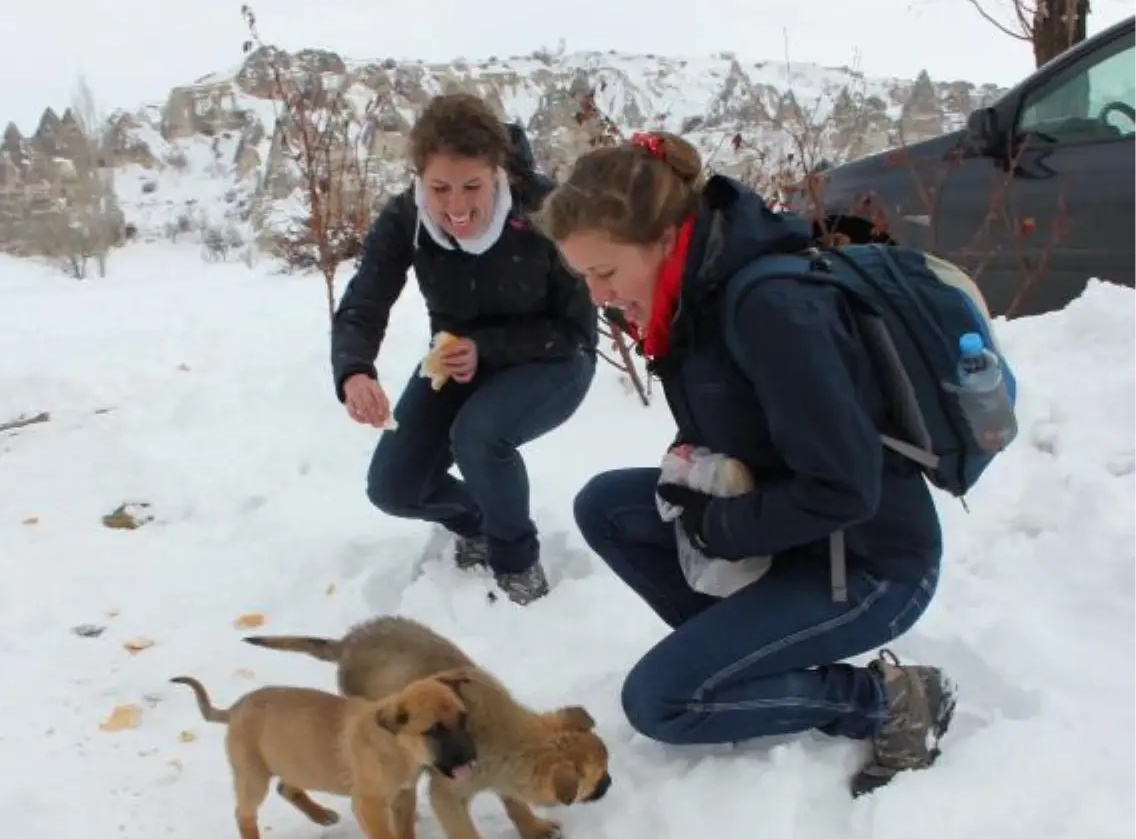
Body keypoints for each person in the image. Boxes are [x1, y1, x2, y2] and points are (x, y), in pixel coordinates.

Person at [538, 132, 956, 795]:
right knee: (607, 507)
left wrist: (719, 528)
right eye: (583, 277)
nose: (596, 296)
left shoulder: (772, 310)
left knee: (660, 703)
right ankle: (743, 661)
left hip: (872, 563)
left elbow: (846, 490)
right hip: (799, 541)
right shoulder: (696, 295)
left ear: (661, 240)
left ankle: (888, 701)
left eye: (605, 273)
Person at [330, 93, 597, 605]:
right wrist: (355, 371)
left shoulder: (545, 211)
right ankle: (478, 520)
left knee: (479, 435)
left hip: (553, 359)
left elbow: (577, 330)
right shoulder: (405, 218)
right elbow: (365, 300)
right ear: (419, 178)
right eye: (439, 188)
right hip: (455, 360)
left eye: (472, 186)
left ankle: (518, 562)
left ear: (497, 172)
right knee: (393, 486)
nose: (455, 207)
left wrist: (487, 346)